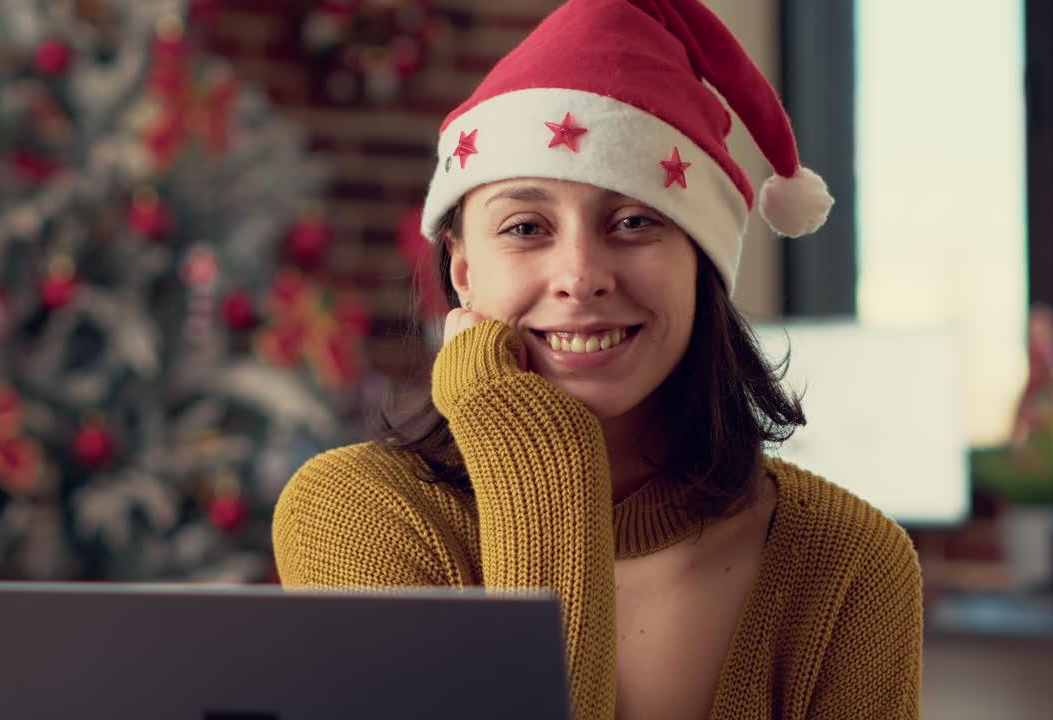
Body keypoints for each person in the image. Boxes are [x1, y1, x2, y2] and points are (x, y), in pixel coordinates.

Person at [271, 0, 924, 718]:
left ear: (702, 262)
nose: (581, 275)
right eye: (526, 227)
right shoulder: (356, 513)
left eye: (635, 221)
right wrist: (539, 458)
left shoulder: (852, 564)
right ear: (462, 272)